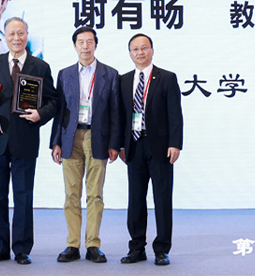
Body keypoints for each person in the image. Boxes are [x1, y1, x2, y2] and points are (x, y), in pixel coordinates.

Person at [0, 17, 58, 265]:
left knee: (23, 196)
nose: (16, 38)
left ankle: (21, 248)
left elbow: (54, 101)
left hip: (25, 139)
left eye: (21, 33)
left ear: (27, 35)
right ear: (5, 36)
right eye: (11, 34)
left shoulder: (40, 66)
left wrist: (41, 114)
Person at [50, 26, 120, 263]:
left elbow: (115, 112)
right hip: (70, 139)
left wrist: (114, 143)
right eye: (81, 42)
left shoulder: (110, 74)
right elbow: (60, 111)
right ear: (75, 46)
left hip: (97, 138)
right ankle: (72, 245)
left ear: (96, 45)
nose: (85, 46)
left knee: (95, 194)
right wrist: (55, 142)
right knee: (71, 194)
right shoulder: (65, 73)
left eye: (90, 42)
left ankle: (92, 244)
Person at [118, 33, 183, 266]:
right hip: (133, 147)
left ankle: (162, 249)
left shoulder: (166, 78)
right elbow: (120, 117)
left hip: (161, 147)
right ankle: (136, 248)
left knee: (162, 198)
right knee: (135, 199)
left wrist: (175, 143)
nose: (140, 53)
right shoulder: (123, 80)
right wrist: (120, 145)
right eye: (135, 49)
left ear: (152, 51)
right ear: (130, 53)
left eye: (144, 48)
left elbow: (175, 114)